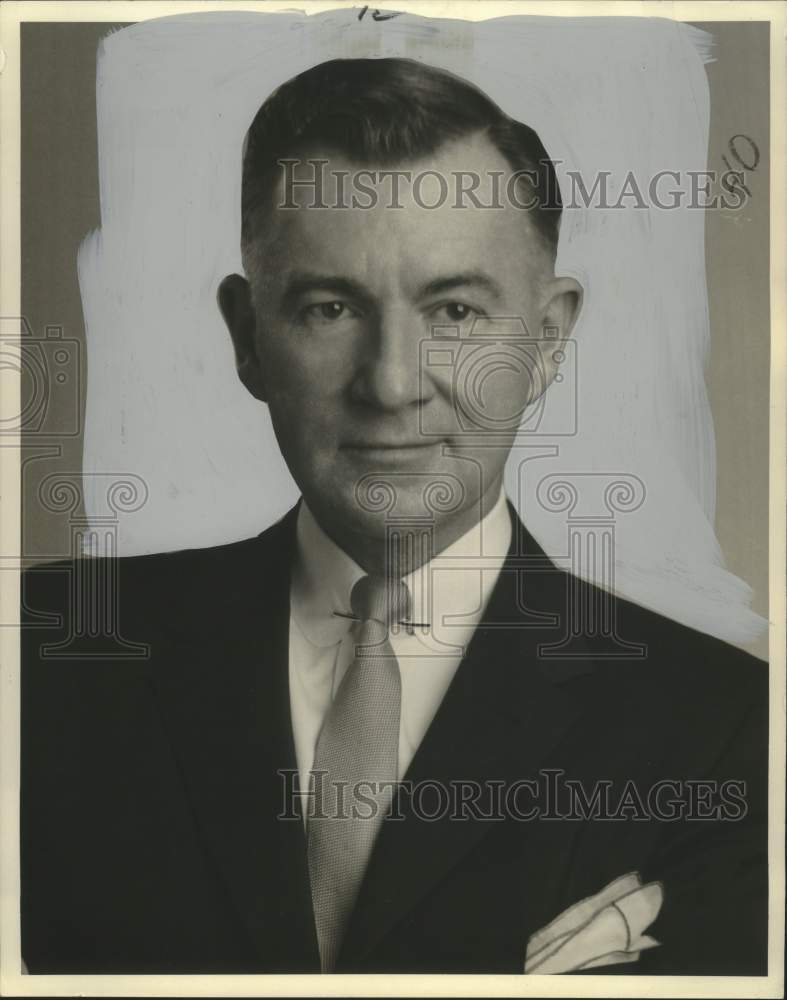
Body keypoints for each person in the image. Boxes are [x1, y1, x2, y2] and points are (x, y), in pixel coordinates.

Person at [21, 57, 767, 976]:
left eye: (453, 309)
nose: (391, 383)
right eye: (329, 308)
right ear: (247, 337)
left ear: (547, 342)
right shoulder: (40, 665)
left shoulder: (730, 732)